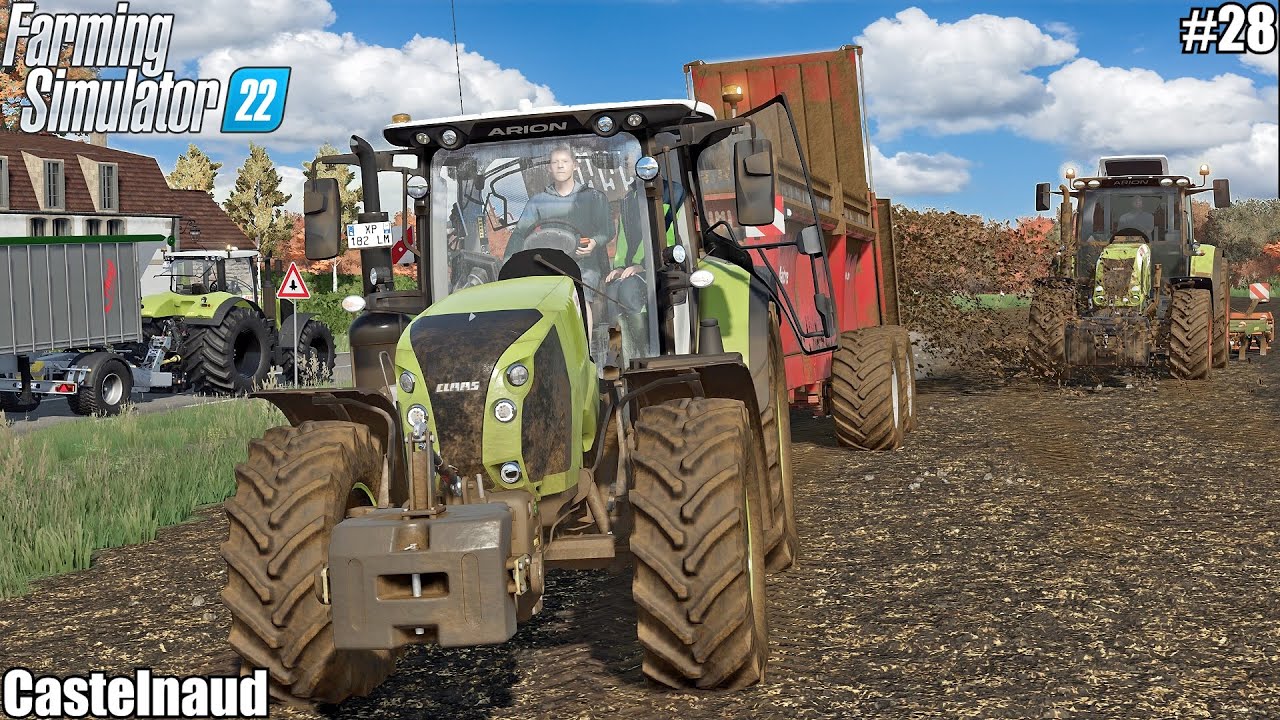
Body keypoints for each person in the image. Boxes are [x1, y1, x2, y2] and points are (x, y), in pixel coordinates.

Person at [502, 144, 612, 292]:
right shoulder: (537, 201)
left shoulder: (594, 197)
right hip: (547, 266)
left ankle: (586, 314)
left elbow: (607, 230)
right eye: (555, 162)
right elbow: (520, 234)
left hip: (584, 266)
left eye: (565, 161)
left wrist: (594, 242)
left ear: (575, 165)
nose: (560, 166)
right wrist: (507, 267)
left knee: (580, 296)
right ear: (549, 168)